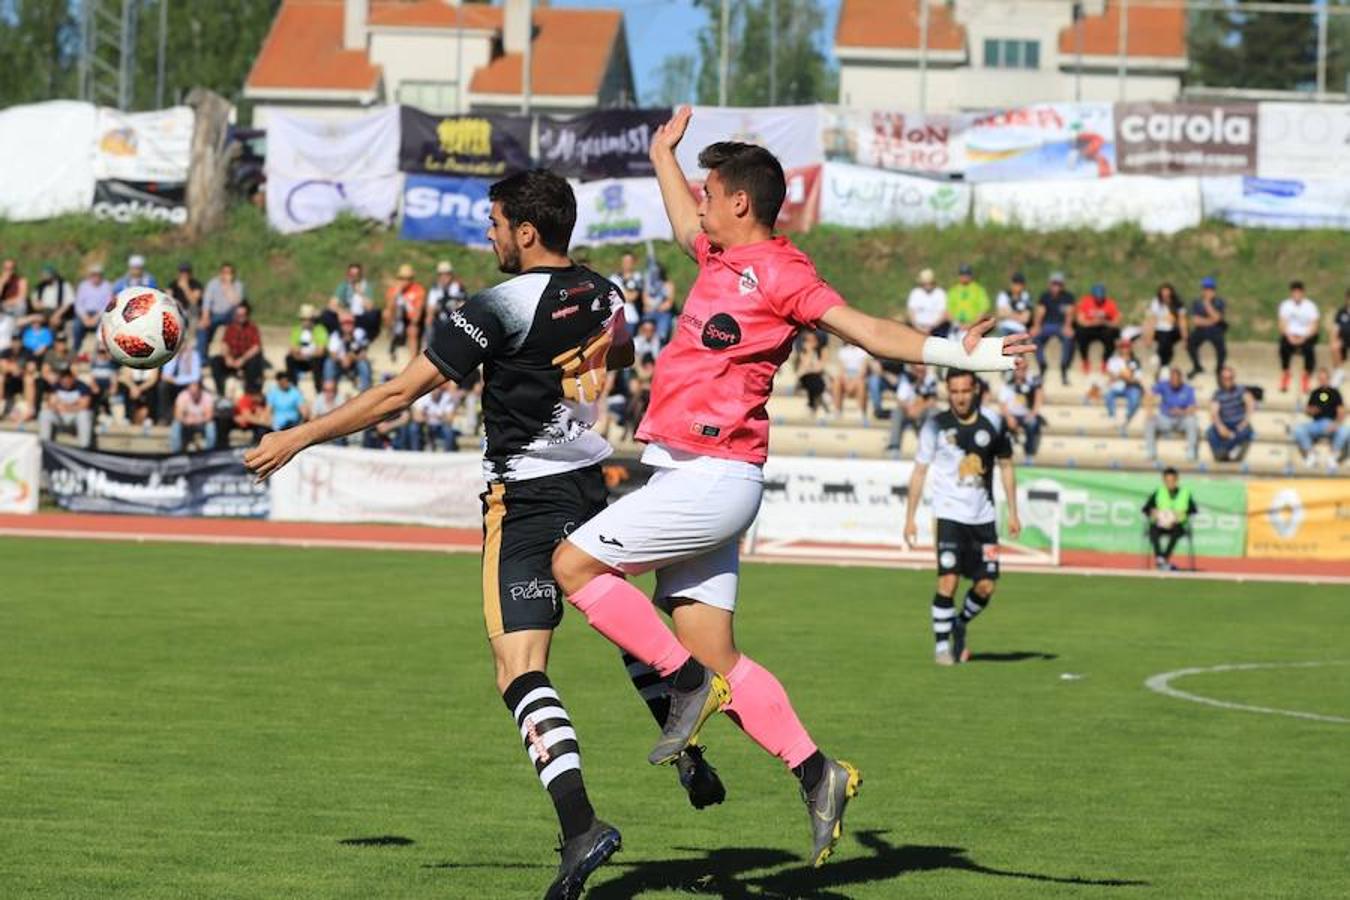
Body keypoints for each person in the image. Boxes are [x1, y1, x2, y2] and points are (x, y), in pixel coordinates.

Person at [549, 107, 1031, 870]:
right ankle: (818, 772)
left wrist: (962, 354)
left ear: (742, 202)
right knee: (717, 655)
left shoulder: (782, 270)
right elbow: (681, 223)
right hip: (692, 474)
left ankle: (683, 688)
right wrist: (660, 156)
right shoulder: (712, 252)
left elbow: (868, 330)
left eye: (709, 190)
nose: (698, 202)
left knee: (573, 567)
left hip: (713, 476)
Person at [245, 169, 726, 899]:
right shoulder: (604, 291)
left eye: (495, 221)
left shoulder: (493, 306)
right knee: (621, 625)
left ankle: (581, 827)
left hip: (526, 501)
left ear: (526, 231)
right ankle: (684, 743)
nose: (489, 233)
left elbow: (401, 392)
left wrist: (301, 436)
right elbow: (616, 353)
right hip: (593, 489)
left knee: (519, 668)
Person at [904, 369, 1020, 665]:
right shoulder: (935, 426)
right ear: (947, 392)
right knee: (948, 581)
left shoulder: (993, 422)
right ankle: (943, 647)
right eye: (954, 392)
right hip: (949, 515)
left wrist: (1013, 512)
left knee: (986, 586)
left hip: (984, 518)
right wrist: (910, 517)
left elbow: (1006, 465)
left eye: (965, 391)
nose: (959, 398)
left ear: (976, 390)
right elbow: (919, 471)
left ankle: (959, 623)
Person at [1292, 368, 1347, 469]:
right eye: (1320, 379)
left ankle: (1332, 457)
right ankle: (1311, 455)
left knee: (1345, 431)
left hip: (1331, 423)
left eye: (1324, 378)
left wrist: (1336, 424)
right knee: (1298, 429)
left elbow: (1341, 411)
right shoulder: (1315, 393)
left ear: (1328, 379)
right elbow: (1309, 410)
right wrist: (1311, 411)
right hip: (1316, 424)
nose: (1322, 381)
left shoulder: (1335, 392)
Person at [1142, 468, 1195, 571]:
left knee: (1177, 531)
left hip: (1177, 524)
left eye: (1172, 480)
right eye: (1167, 480)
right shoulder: (1159, 492)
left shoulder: (1185, 493)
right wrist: (1153, 512)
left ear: (1176, 480)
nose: (1170, 483)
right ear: (1164, 480)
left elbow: (1193, 509)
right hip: (1160, 523)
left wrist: (1182, 513)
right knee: (1153, 529)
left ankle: (1163, 559)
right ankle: (1160, 558)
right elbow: (1146, 508)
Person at [209, 303, 265, 395]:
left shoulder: (252, 328)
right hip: (232, 359)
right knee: (215, 361)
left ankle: (250, 393)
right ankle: (220, 392)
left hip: (246, 361)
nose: (240, 317)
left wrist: (242, 360)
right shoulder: (230, 328)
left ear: (247, 315)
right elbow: (224, 344)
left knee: (255, 361)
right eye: (238, 315)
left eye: (243, 315)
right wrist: (227, 357)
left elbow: (256, 347)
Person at [1145, 367, 1199, 462]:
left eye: (1177, 380)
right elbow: (1148, 394)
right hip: (1165, 419)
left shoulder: (1188, 389)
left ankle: (1191, 451)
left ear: (1180, 379)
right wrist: (1149, 411)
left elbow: (1193, 407)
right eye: (1172, 380)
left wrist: (1182, 411)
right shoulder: (1163, 385)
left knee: (1192, 421)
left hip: (1181, 419)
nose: (1174, 382)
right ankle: (1150, 451)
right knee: (1150, 421)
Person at [1032, 271, 1075, 385]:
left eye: (1059, 284)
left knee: (1068, 338)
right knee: (1036, 338)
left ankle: (1064, 366)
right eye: (1054, 284)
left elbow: (1070, 313)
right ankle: (1042, 364)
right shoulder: (1044, 296)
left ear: (1062, 285)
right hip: (1047, 325)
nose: (1056, 286)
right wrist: (1036, 326)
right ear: (1050, 284)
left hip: (1061, 326)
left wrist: (1068, 326)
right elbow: (1040, 312)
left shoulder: (1068, 297)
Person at [1206, 366, 1256, 462]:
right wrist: (1220, 427)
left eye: (1230, 378)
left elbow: (1251, 404)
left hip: (1239, 422)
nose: (1227, 380)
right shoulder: (1217, 394)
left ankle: (1222, 452)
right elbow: (1214, 413)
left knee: (1246, 432)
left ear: (1233, 378)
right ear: (1221, 379)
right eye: (1225, 378)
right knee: (1210, 432)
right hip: (1225, 423)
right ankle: (1223, 453)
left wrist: (1244, 422)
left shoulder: (1241, 390)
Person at [1277, 280, 1319, 394]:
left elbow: (1315, 326)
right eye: (1294, 292)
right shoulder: (1285, 305)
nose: (1296, 295)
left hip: (1305, 336)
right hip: (1290, 335)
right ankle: (1286, 372)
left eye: (1299, 292)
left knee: (1309, 351)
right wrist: (1289, 336)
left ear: (1303, 293)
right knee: (1283, 347)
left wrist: (1304, 337)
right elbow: (1281, 324)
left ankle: (1306, 377)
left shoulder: (1310, 306)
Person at [38, 366, 94, 449]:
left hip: (75, 416)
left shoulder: (82, 387)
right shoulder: (56, 386)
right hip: (61, 416)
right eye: (63, 380)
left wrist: (67, 407)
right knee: (45, 413)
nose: (66, 383)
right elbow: (51, 404)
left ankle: (85, 446)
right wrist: (62, 406)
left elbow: (84, 405)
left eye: (68, 379)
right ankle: (45, 445)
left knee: (84, 414)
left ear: (72, 378)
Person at [888, 362, 939, 452]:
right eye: (918, 371)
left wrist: (918, 408)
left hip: (922, 411)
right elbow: (901, 401)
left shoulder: (930, 378)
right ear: (913, 370)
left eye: (923, 371)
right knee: (897, 412)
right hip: (908, 411)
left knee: (934, 412)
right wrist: (910, 409)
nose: (920, 373)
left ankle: (933, 445)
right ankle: (894, 446)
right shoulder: (906, 378)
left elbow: (932, 401)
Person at [199, 262, 244, 357]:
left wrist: (228, 287)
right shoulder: (213, 283)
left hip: (231, 315)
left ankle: (235, 355)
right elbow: (206, 302)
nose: (227, 275)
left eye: (230, 272)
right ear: (220, 273)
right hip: (215, 314)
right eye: (225, 272)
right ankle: (202, 358)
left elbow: (237, 303)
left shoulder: (238, 285)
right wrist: (205, 317)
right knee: (202, 328)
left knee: (239, 325)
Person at [1074, 283, 1121, 374]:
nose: (1099, 299)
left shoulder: (1110, 303)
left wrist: (1104, 322)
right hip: (1089, 328)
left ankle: (1105, 361)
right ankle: (1085, 360)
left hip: (1104, 329)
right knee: (1081, 335)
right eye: (1097, 297)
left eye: (1101, 297)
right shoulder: (1086, 301)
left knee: (1111, 337)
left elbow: (1116, 322)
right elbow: (1080, 320)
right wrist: (1093, 322)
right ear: (1093, 296)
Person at [999, 365, 1044, 461]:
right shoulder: (1007, 384)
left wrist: (1032, 414)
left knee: (1033, 423)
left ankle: (1029, 454)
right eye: (1018, 369)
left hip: (1026, 415)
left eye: (1023, 369)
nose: (1020, 371)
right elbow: (1002, 404)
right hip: (1011, 415)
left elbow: (1039, 398)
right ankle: (1002, 452)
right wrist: (1009, 417)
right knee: (1000, 423)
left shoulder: (1032, 382)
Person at [384, 263, 427, 361]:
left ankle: (412, 360)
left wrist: (413, 322)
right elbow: (389, 309)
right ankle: (392, 337)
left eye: (407, 278)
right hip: (397, 319)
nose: (404, 281)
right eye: (401, 278)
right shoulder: (393, 290)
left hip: (412, 319)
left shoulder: (418, 289)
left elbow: (418, 311)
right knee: (386, 314)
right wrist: (396, 294)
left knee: (412, 330)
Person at [1186, 276, 1227, 379]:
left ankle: (1219, 368)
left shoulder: (1219, 302)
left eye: (1210, 289)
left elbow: (1217, 318)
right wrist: (1210, 321)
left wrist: (1207, 304)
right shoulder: (1196, 302)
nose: (1208, 292)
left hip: (1215, 330)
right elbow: (1195, 320)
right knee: (1190, 344)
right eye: (1205, 289)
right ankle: (1197, 366)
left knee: (1221, 349)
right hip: (1201, 330)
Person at [327, 262, 379, 339]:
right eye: (351, 274)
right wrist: (341, 311)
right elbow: (332, 304)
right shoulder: (344, 286)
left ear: (360, 275)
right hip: (346, 316)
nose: (353, 277)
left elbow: (369, 307)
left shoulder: (366, 287)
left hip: (360, 317)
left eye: (356, 274)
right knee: (327, 315)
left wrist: (361, 293)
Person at [157, 340, 204, 425]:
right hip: (174, 383)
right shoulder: (170, 355)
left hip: (186, 384)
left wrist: (177, 380)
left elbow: (195, 376)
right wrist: (175, 358)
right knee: (163, 386)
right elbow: (165, 375)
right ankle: (166, 418)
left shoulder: (193, 355)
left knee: (194, 386)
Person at [1143, 282, 1187, 372]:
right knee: (1166, 339)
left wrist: (1185, 338)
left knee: (1168, 338)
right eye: (1163, 295)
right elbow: (1152, 320)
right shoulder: (1156, 303)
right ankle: (1164, 365)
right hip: (1159, 330)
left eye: (1167, 295)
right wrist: (1149, 338)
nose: (1165, 297)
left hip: (1173, 330)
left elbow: (1182, 321)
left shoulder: (1177, 304)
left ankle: (1159, 357)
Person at [324, 312, 372, 391]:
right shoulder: (335, 335)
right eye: (345, 323)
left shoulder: (360, 333)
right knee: (329, 363)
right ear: (340, 324)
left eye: (350, 323)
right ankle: (329, 389)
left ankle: (366, 390)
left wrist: (350, 357)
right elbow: (332, 354)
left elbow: (363, 353)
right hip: (339, 363)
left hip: (355, 363)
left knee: (363, 363)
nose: (348, 325)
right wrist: (342, 359)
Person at [285, 304, 329, 391]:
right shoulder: (296, 330)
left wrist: (304, 353)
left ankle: (319, 389)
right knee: (289, 358)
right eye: (303, 319)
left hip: (315, 361)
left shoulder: (320, 330)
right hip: (301, 360)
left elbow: (321, 351)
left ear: (313, 319)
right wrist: (300, 354)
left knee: (318, 360)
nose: (306, 322)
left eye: (309, 319)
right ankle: (292, 388)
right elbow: (292, 349)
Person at [1104, 338, 1144, 433]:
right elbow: (1110, 375)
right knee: (1108, 394)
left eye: (1127, 347)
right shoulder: (1113, 360)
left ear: (1130, 348)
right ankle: (1112, 417)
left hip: (1130, 387)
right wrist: (1123, 375)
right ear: (1119, 348)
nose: (1125, 349)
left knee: (1135, 398)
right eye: (1123, 347)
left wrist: (1122, 376)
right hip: (1116, 386)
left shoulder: (1135, 361)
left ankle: (1126, 418)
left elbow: (1137, 378)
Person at [71, 263, 113, 353]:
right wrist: (84, 317)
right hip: (85, 314)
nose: (95, 277)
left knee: (103, 327)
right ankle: (76, 349)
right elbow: (78, 304)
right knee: (76, 325)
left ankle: (100, 351)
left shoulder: (107, 286)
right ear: (90, 275)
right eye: (93, 275)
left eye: (98, 275)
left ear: (101, 275)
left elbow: (107, 304)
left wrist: (96, 317)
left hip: (100, 315)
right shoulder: (83, 285)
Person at [408, 382, 460, 451]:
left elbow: (449, 419)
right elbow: (416, 417)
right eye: (433, 390)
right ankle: (415, 452)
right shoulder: (424, 398)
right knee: (414, 428)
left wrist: (428, 416)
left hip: (440, 426)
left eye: (438, 389)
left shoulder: (447, 398)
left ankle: (448, 454)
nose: (436, 391)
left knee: (448, 431)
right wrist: (438, 416)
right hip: (426, 425)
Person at [169, 380, 217, 453]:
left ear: (200, 389)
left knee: (210, 425)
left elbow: (209, 416)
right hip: (186, 424)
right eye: (191, 390)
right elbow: (177, 415)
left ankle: (209, 451)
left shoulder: (207, 397)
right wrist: (186, 420)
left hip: (201, 424)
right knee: (176, 424)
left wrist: (196, 420)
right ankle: (175, 452)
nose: (193, 393)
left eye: (196, 391)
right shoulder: (182, 396)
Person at [425, 260, 467, 341]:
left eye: (447, 274)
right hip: (439, 322)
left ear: (451, 275)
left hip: (455, 322)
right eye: (441, 274)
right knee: (429, 323)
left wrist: (454, 304)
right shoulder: (435, 290)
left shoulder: (458, 288)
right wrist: (437, 308)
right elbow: (430, 310)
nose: (444, 277)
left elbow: (465, 307)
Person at [831, 341, 869, 424]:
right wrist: (846, 380)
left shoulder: (863, 352)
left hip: (858, 377)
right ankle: (837, 411)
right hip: (846, 377)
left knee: (861, 382)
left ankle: (861, 412)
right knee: (837, 381)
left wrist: (853, 382)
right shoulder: (843, 351)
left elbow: (863, 371)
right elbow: (841, 369)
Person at [30, 263, 74, 333]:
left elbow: (68, 304)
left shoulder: (64, 285)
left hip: (59, 311)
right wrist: (37, 305)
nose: (44, 276)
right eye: (43, 274)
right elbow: (34, 303)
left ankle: (52, 340)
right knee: (31, 321)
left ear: (53, 275)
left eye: (46, 274)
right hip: (43, 311)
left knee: (54, 321)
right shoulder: (39, 287)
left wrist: (56, 315)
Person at [946, 263, 990, 333]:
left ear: (971, 275)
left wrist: (970, 324)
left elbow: (983, 311)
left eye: (967, 274)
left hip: (974, 326)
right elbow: (947, 311)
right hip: (956, 327)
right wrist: (957, 324)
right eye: (962, 274)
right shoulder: (953, 291)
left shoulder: (979, 290)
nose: (964, 276)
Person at [795, 330, 829, 416]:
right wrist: (809, 352)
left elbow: (820, 368)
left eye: (813, 340)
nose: (810, 342)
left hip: (818, 378)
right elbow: (803, 369)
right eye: (808, 340)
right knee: (811, 378)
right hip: (806, 379)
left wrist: (810, 368)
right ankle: (818, 398)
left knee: (814, 379)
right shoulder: (803, 351)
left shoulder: (822, 350)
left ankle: (811, 404)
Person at [906, 267, 948, 336]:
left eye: (929, 283)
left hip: (936, 329)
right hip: (917, 328)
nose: (927, 285)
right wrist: (918, 327)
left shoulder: (940, 293)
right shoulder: (915, 293)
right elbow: (911, 312)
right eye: (925, 283)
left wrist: (931, 328)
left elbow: (944, 314)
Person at [169, 263, 204, 339]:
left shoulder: (196, 284)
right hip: (179, 310)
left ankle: (192, 337)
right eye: (182, 272)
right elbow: (169, 297)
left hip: (191, 312)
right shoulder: (173, 284)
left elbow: (194, 301)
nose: (184, 275)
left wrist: (185, 287)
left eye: (186, 272)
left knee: (194, 308)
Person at [610, 251, 645, 328]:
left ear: (634, 262)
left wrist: (621, 295)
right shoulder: (614, 278)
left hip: (632, 318)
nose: (627, 263)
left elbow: (632, 297)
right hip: (617, 319)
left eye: (629, 261)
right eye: (625, 261)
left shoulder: (638, 277)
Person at [994, 272, 1032, 336]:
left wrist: (1009, 313)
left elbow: (1025, 319)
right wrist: (1018, 315)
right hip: (1004, 327)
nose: (1017, 286)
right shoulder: (1003, 295)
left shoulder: (1026, 296)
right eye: (1015, 283)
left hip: (1020, 329)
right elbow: (1001, 314)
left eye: (1019, 284)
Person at [1333, 288, 1350, 387]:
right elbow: (1335, 328)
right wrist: (1334, 339)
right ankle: (1339, 372)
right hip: (1344, 340)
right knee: (1334, 345)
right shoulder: (1341, 312)